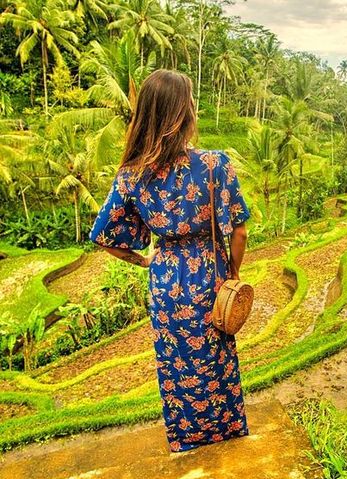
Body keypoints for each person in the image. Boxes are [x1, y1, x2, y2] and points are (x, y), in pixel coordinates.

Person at [88, 69, 251, 453]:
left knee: (177, 365)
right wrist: (234, 271)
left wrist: (144, 260)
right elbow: (239, 231)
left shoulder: (132, 175)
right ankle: (225, 435)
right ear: (183, 112)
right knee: (216, 360)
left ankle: (186, 440)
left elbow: (103, 237)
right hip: (210, 274)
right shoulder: (215, 164)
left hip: (165, 279)